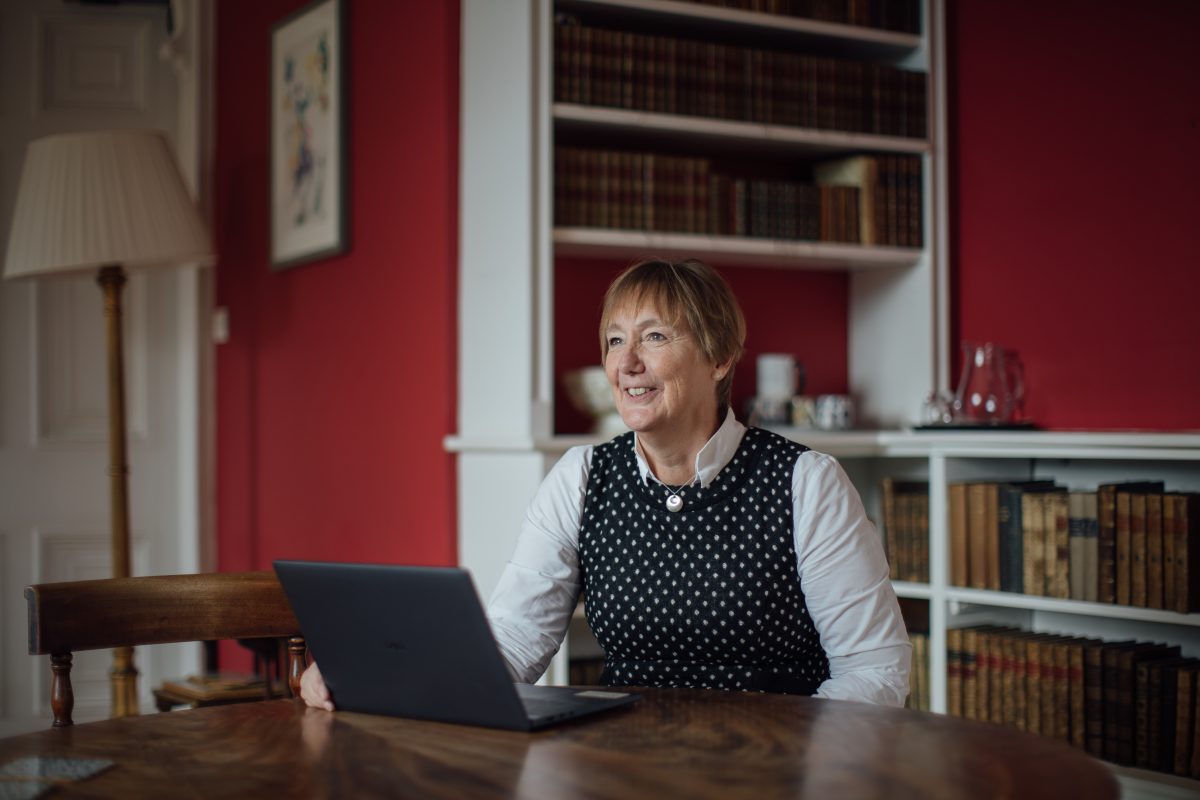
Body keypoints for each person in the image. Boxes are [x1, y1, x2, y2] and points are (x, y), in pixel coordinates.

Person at [301, 258, 910, 710]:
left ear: (720, 356)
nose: (626, 364)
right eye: (615, 340)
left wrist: (800, 765)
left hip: (767, 770)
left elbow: (875, 667)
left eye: (654, 336)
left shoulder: (806, 483)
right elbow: (513, 640)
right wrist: (374, 678)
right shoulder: (581, 477)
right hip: (618, 766)